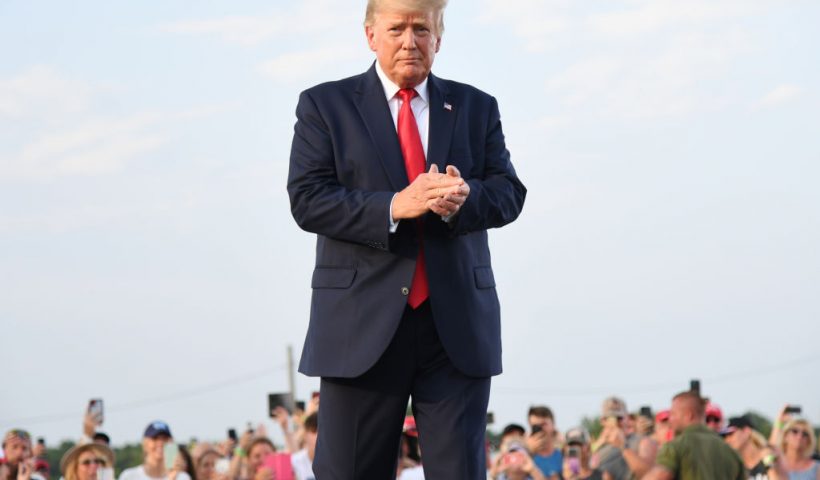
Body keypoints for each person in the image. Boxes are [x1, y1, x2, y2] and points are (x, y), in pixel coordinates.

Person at [286, 0, 526, 478]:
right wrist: (396, 205)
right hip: (360, 328)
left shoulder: (477, 106)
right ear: (371, 36)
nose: (409, 40)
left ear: (439, 37)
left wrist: (465, 197)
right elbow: (308, 199)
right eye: (397, 28)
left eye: (423, 28)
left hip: (454, 328)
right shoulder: (325, 105)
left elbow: (508, 193)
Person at [643, 390, 745, 480]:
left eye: (673, 414)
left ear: (689, 415)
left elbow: (661, 475)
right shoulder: (731, 453)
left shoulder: (676, 446)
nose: (670, 419)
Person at [591, 397, 655, 479]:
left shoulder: (642, 441)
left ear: (627, 418)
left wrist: (623, 447)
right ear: (602, 421)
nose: (616, 423)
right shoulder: (598, 448)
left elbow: (648, 473)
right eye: (609, 418)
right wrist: (598, 445)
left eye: (619, 418)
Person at [118, 421, 192, 480]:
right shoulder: (129, 476)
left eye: (165, 439)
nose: (160, 443)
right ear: (145, 444)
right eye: (155, 438)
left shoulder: (182, 477)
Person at [720, 415, 784, 480]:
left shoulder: (769, 455)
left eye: (730, 433)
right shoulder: (735, 468)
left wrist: (769, 463)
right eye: (724, 436)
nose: (727, 440)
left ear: (746, 431)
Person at [525, 406, 562, 479]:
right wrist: (528, 452)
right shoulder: (524, 457)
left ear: (553, 425)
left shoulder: (564, 457)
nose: (540, 429)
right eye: (535, 426)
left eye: (543, 424)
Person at [290, 413, 317, 480]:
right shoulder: (294, 461)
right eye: (314, 431)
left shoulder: (336, 463)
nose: (318, 436)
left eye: (321, 432)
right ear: (305, 434)